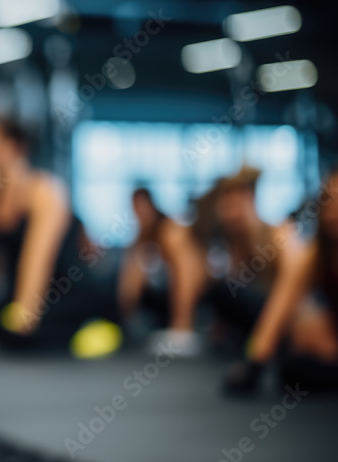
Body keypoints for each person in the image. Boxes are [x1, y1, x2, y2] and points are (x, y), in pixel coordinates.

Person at [0, 116, 115, 351]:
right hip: (15, 289)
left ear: (16, 148)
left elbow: (37, 260)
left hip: (65, 291)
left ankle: (93, 328)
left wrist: (25, 311)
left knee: (26, 330)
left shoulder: (45, 192)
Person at [225, 169, 338, 395]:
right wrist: (254, 364)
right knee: (292, 371)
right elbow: (279, 305)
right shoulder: (314, 256)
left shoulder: (278, 234)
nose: (334, 212)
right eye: (330, 204)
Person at [190, 167, 300, 353]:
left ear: (250, 201)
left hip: (283, 316)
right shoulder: (227, 243)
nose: (232, 212)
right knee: (220, 289)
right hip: (250, 322)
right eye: (227, 204)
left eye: (237, 202)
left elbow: (292, 286)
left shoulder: (277, 233)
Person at [118, 188, 206, 354]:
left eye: (142, 207)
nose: (139, 213)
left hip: (199, 299)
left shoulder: (172, 232)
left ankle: (183, 327)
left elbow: (189, 275)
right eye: (135, 209)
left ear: (152, 206)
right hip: (162, 305)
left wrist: (181, 327)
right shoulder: (141, 239)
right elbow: (129, 288)